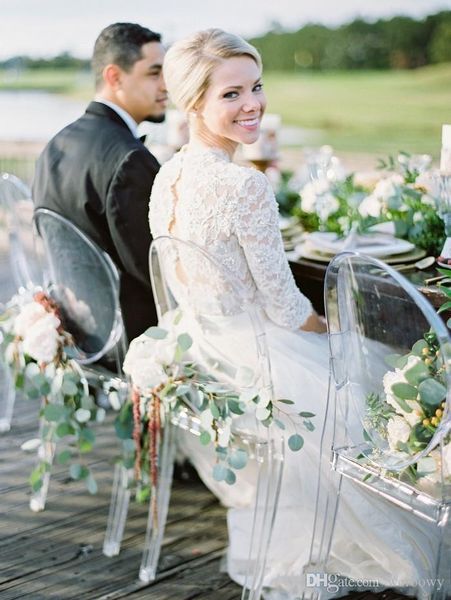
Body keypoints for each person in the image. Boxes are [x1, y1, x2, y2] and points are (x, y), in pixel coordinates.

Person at [148, 29, 431, 599]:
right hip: (253, 359)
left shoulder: (168, 174)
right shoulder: (242, 186)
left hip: (207, 348)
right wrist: (333, 332)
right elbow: (285, 306)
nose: (252, 104)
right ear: (193, 102)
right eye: (230, 95)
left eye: (255, 86)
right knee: (380, 372)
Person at [33, 22, 167, 343]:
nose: (166, 85)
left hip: (79, 331)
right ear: (114, 77)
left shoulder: (55, 144)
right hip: (135, 339)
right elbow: (158, 271)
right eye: (154, 73)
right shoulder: (130, 160)